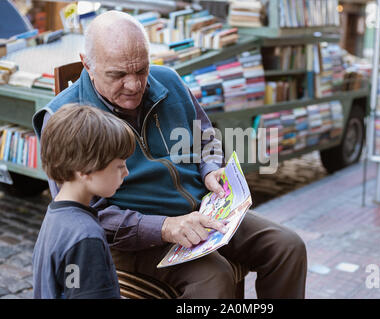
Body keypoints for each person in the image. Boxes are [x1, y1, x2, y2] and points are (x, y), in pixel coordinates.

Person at [33, 10, 307, 298]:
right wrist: (164, 227)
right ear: (86, 64)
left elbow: (207, 136)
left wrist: (211, 168)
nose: (135, 84)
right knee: (215, 278)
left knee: (288, 247)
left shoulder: (169, 80)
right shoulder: (66, 118)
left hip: (204, 211)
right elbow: (88, 214)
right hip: (138, 239)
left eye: (141, 70)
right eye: (119, 74)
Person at [32, 104, 135, 299]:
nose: (126, 172)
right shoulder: (85, 237)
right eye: (119, 166)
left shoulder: (56, 216)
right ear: (85, 170)